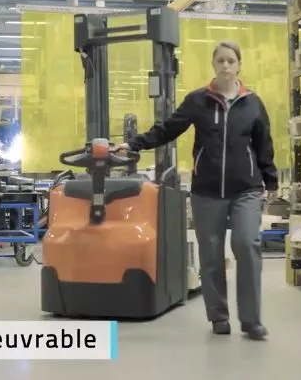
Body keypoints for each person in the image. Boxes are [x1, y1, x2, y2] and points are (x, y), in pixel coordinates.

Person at [115, 41, 278, 341]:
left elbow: (264, 145)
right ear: (214, 64)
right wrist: (135, 143)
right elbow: (168, 129)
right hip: (207, 190)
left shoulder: (253, 103)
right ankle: (218, 316)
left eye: (231, 60)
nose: (226, 66)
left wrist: (271, 181)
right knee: (211, 254)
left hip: (246, 189)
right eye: (221, 60)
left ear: (239, 65)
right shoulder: (198, 100)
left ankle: (251, 320)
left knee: (246, 244)